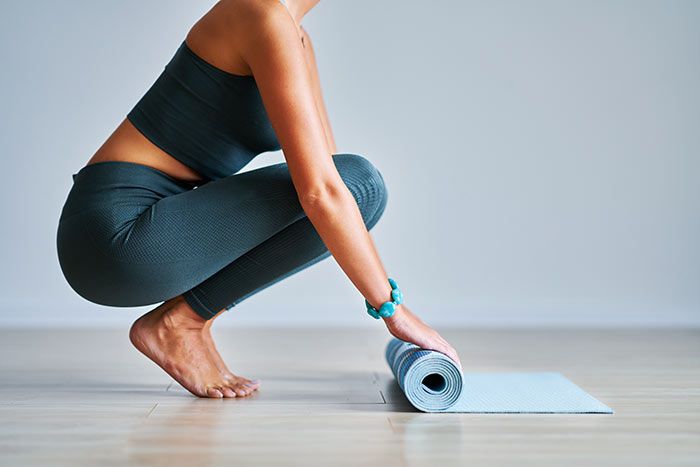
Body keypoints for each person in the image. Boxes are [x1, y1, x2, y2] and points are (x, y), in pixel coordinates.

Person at [56, 0, 462, 399]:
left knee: (360, 196)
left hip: (152, 233)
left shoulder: (295, 36)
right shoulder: (259, 14)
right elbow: (325, 190)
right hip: (112, 234)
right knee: (358, 185)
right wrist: (394, 312)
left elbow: (331, 182)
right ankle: (181, 324)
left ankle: (183, 321)